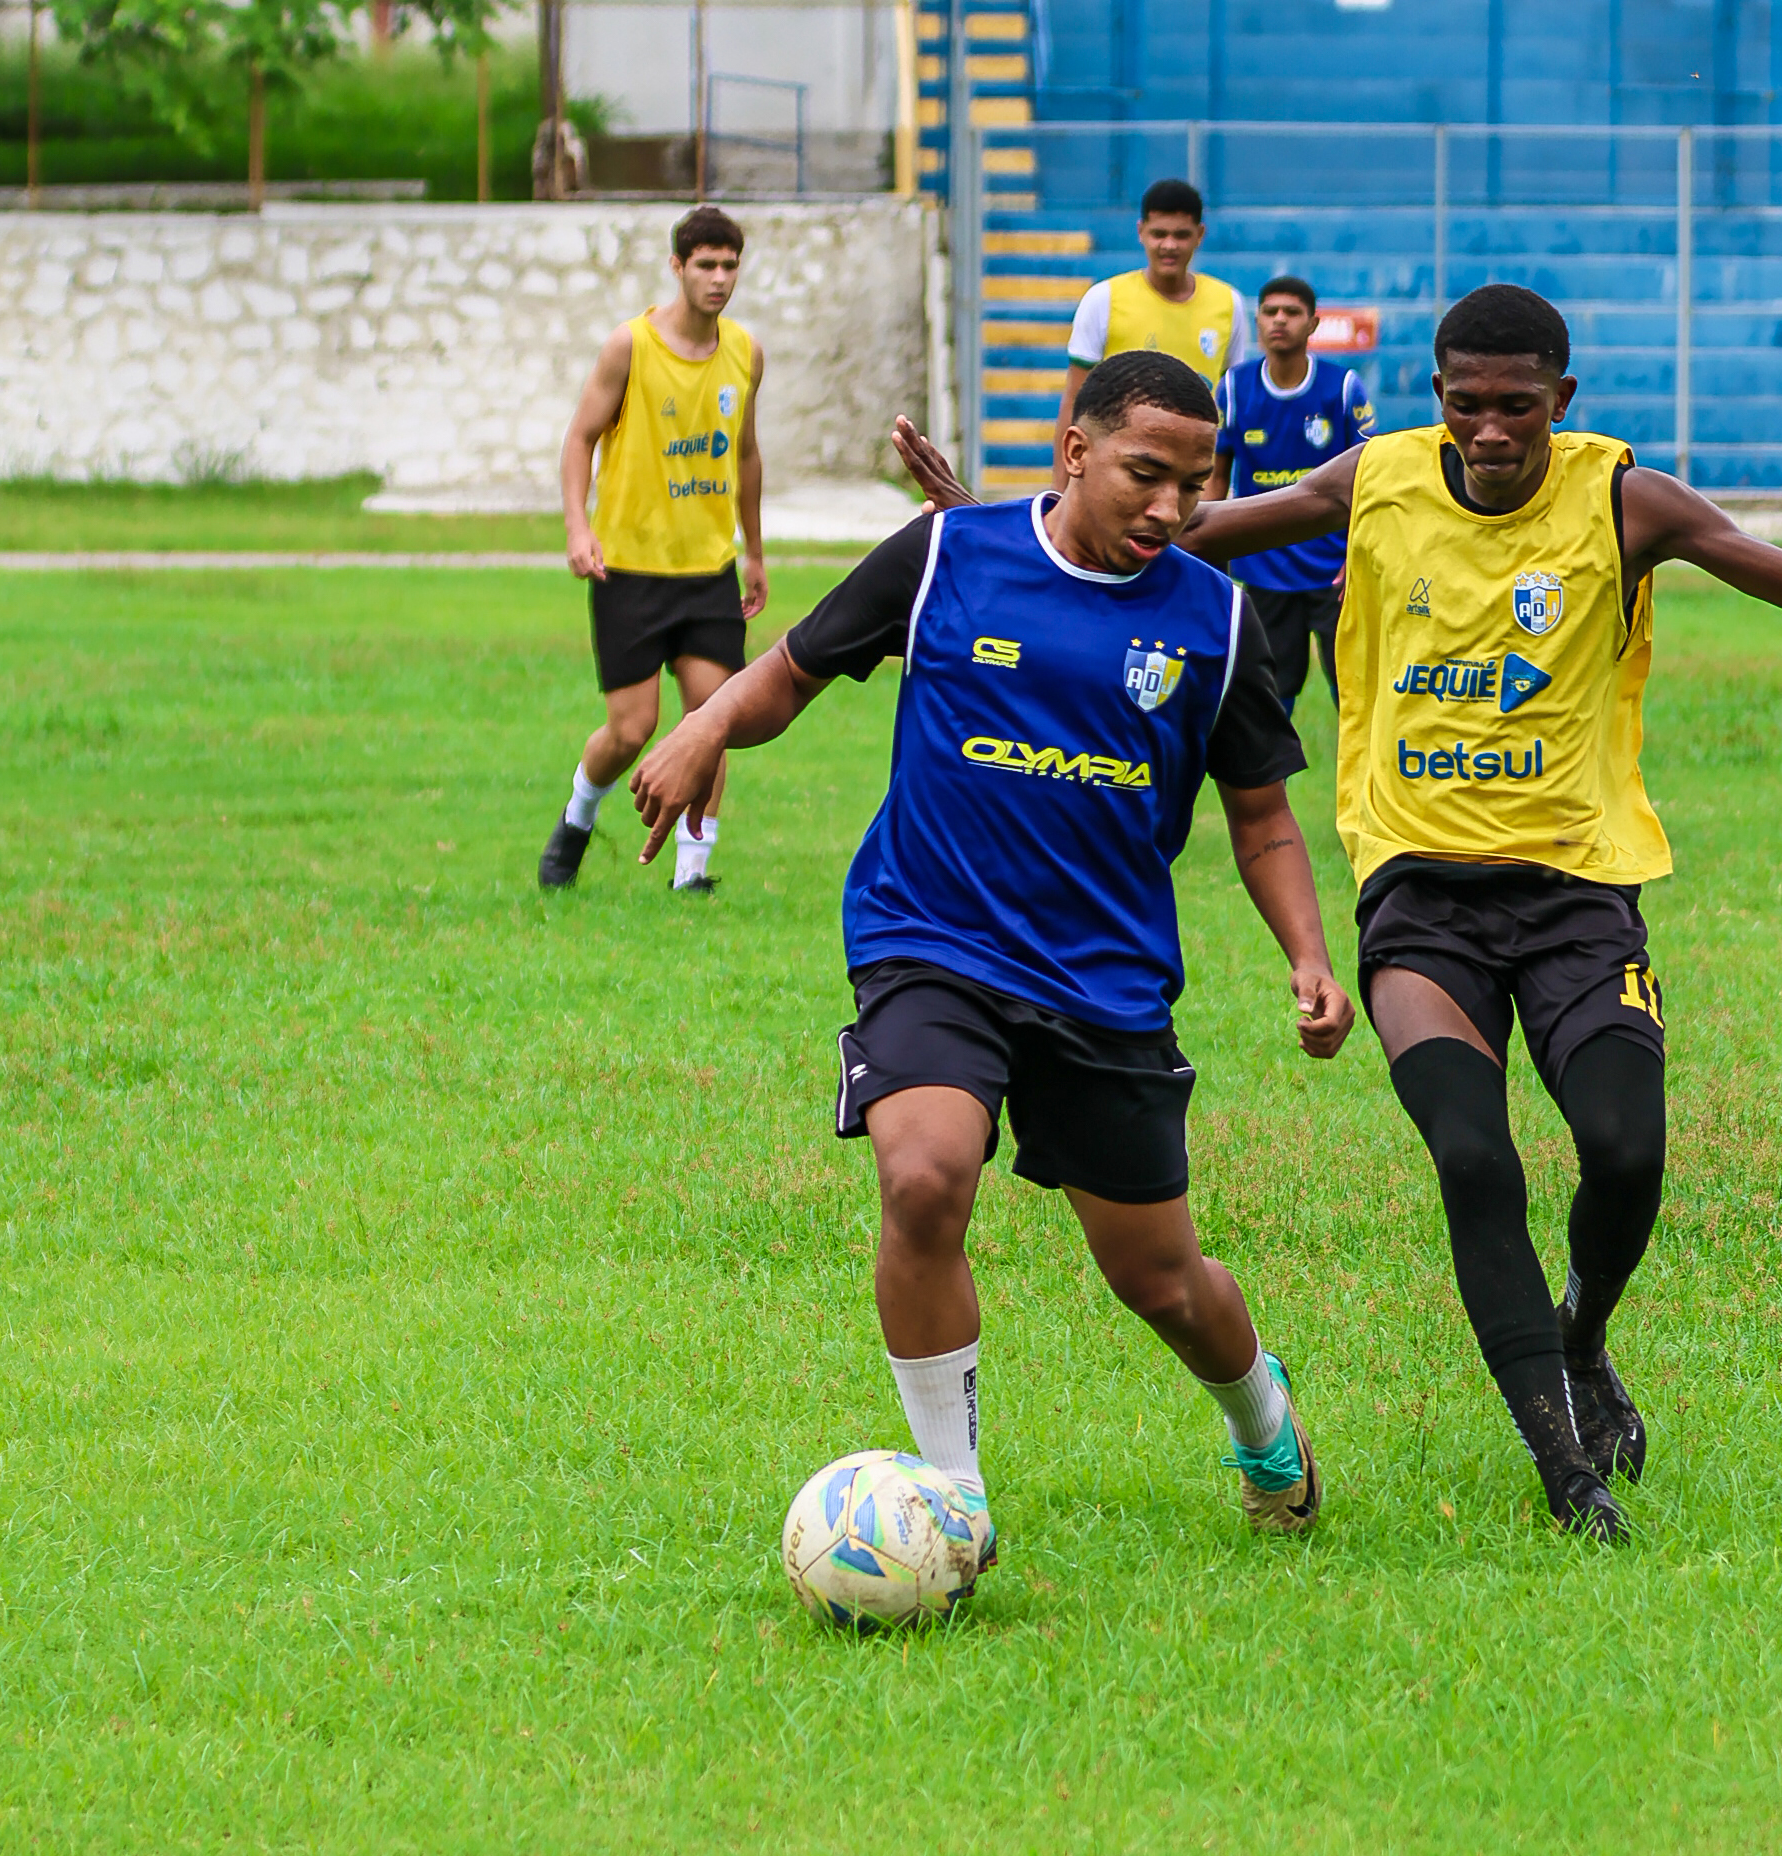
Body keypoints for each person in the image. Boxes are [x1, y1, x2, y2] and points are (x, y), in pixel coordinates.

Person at [890, 283, 1782, 1541]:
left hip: (1581, 892)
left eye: (1515, 406)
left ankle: (1582, 1338)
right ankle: (1562, 1468)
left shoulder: (1625, 498)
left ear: (1560, 402)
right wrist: (991, 533)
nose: (1488, 428)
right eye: (1465, 403)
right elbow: (1176, 529)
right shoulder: (1374, 479)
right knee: (1474, 1158)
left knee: (1626, 1151)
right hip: (1418, 896)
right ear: (1436, 399)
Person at [629, 350, 1358, 1577]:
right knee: (922, 1177)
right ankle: (950, 1504)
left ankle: (1260, 1421)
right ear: (1072, 447)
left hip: (1106, 981)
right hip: (933, 939)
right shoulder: (945, 557)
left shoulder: (1216, 620)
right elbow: (792, 670)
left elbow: (1261, 816)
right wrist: (703, 722)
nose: (1172, 510)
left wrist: (1308, 956)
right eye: (1146, 474)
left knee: (1162, 1279)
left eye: (1195, 483)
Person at [539, 204, 768, 894]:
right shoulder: (630, 346)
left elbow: (748, 455)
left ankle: (691, 875)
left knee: (714, 718)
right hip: (630, 569)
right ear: (678, 268)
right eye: (706, 265)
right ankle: (578, 819)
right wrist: (580, 529)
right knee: (632, 729)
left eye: (730, 265)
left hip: (707, 570)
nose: (720, 278)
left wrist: (754, 551)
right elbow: (580, 437)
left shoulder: (745, 352)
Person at [1205, 274, 1375, 713]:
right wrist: (1209, 556)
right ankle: (1271, 782)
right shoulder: (1233, 390)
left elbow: (1368, 477)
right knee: (1270, 702)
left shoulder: (1341, 388)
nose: (1280, 320)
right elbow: (1215, 479)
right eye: (1270, 311)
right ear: (1257, 321)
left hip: (1334, 574)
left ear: (1313, 324)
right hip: (1265, 569)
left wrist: (1357, 557)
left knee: (1353, 694)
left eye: (1292, 312)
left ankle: (1359, 783)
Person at [1054, 178, 1248, 492]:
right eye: (1159, 234)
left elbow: (1230, 409)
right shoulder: (1103, 299)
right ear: (1141, 231)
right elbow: (1073, 404)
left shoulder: (1229, 305)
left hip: (1190, 482)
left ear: (1200, 235)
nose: (1169, 245)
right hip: (1118, 476)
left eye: (1181, 235)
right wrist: (1059, 493)